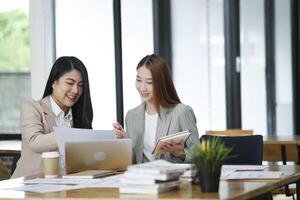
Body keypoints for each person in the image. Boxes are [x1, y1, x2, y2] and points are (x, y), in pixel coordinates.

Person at [12, 56, 93, 178]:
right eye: (70, 83)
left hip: (64, 186)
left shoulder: (79, 117)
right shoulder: (32, 107)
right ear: (54, 82)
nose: (76, 90)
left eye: (81, 85)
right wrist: (72, 135)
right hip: (30, 187)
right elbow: (35, 141)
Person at [113, 54, 199, 164]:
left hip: (172, 179)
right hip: (141, 179)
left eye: (149, 82)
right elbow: (135, 162)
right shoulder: (131, 116)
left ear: (162, 83)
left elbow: (199, 156)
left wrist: (180, 153)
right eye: (139, 80)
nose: (142, 88)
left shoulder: (181, 112)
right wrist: (125, 142)